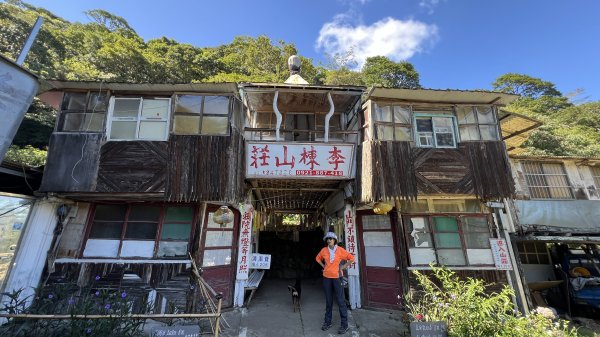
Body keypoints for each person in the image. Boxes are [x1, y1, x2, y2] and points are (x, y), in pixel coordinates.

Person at [315, 232, 354, 334]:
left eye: (331, 239)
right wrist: (324, 267)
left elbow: (351, 258)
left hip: (338, 278)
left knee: (341, 302)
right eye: (327, 239)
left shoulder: (340, 250)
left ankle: (344, 325)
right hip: (326, 278)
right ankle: (327, 322)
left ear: (335, 240)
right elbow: (317, 258)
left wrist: (343, 267)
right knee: (329, 301)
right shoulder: (324, 250)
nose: (329, 240)